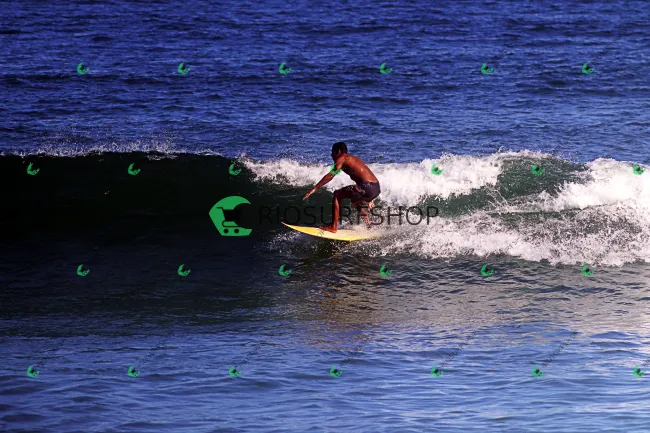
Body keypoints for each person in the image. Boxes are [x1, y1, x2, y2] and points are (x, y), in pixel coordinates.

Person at [303, 142, 381, 233]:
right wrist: (370, 197)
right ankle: (369, 226)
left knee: (337, 194)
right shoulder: (353, 159)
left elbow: (330, 176)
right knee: (355, 201)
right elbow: (362, 177)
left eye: (332, 152)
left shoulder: (342, 158)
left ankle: (333, 227)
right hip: (375, 188)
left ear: (338, 152)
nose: (331, 155)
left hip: (367, 187)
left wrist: (313, 189)